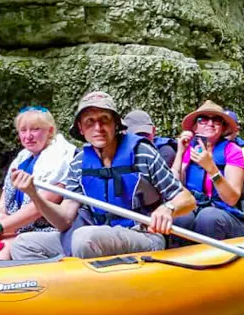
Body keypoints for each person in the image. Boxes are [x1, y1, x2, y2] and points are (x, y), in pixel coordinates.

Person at [10, 91, 196, 260]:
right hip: (95, 236)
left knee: (84, 238)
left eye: (104, 119)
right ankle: (64, 289)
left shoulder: (142, 153)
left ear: (116, 125)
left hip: (143, 235)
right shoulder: (79, 162)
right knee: (23, 244)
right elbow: (65, 219)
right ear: (81, 129)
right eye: (90, 121)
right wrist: (34, 194)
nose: (98, 127)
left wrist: (168, 208)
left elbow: (187, 199)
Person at [0, 106, 76, 260]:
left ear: (50, 131)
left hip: (42, 230)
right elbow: (2, 207)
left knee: (1, 250)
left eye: (35, 129)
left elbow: (37, 209)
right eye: (23, 130)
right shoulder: (21, 160)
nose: (28, 136)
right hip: (10, 226)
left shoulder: (63, 158)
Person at [170, 100, 244, 241]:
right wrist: (179, 153)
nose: (210, 123)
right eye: (203, 120)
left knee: (208, 217)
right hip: (196, 207)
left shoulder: (232, 151)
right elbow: (172, 188)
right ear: (195, 127)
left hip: (226, 215)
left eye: (216, 120)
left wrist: (211, 168)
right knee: (180, 217)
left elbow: (232, 199)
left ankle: (212, 260)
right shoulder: (188, 149)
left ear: (222, 127)